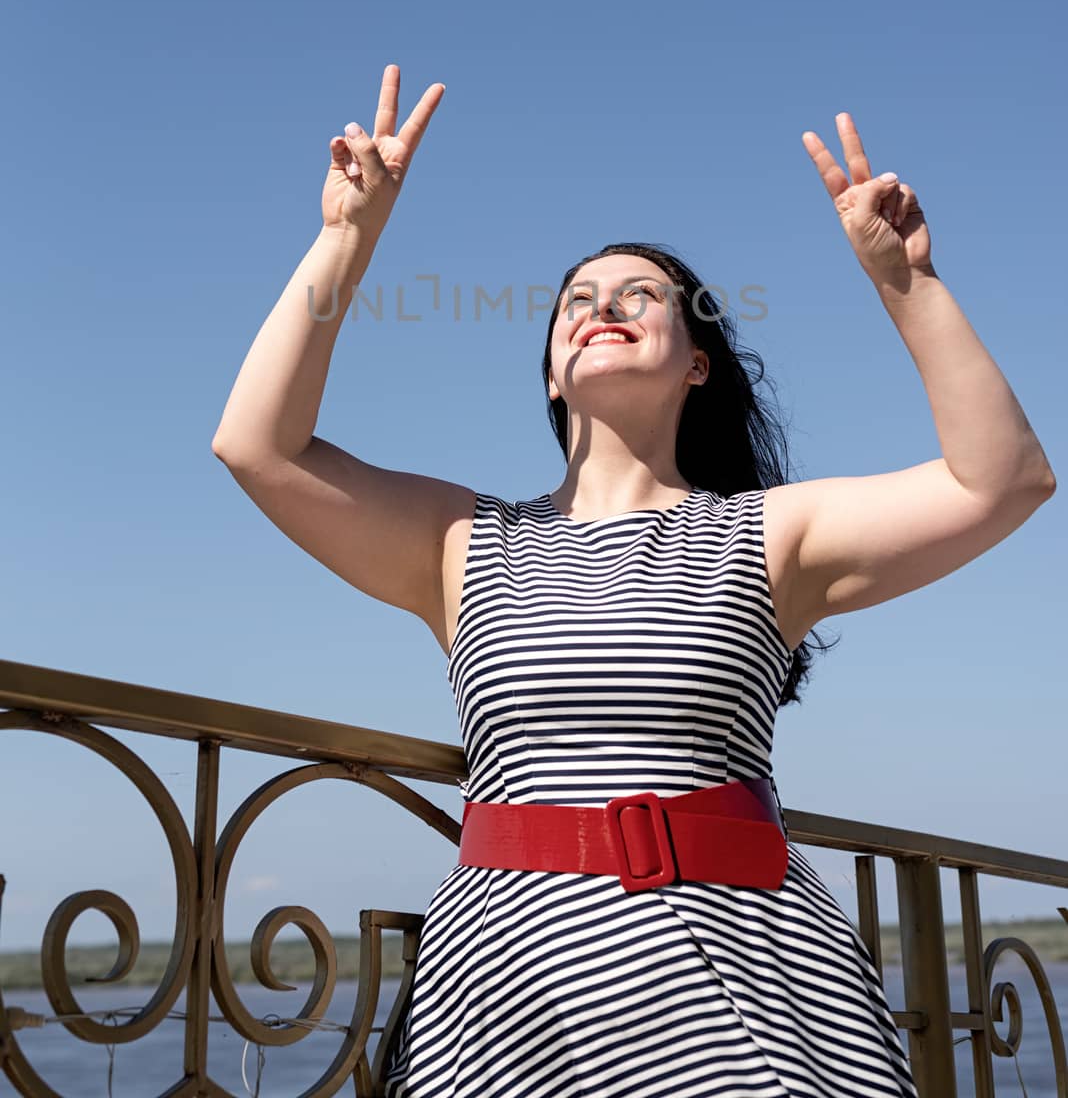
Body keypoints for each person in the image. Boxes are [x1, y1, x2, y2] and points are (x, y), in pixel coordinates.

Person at [212, 64, 1056, 1097]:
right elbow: (258, 445)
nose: (602, 305)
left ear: (696, 360)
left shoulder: (767, 535)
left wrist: (904, 280)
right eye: (577, 300)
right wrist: (349, 237)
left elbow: (1004, 479)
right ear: (553, 369)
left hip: (754, 989)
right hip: (506, 1000)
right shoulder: (465, 541)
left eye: (638, 295)